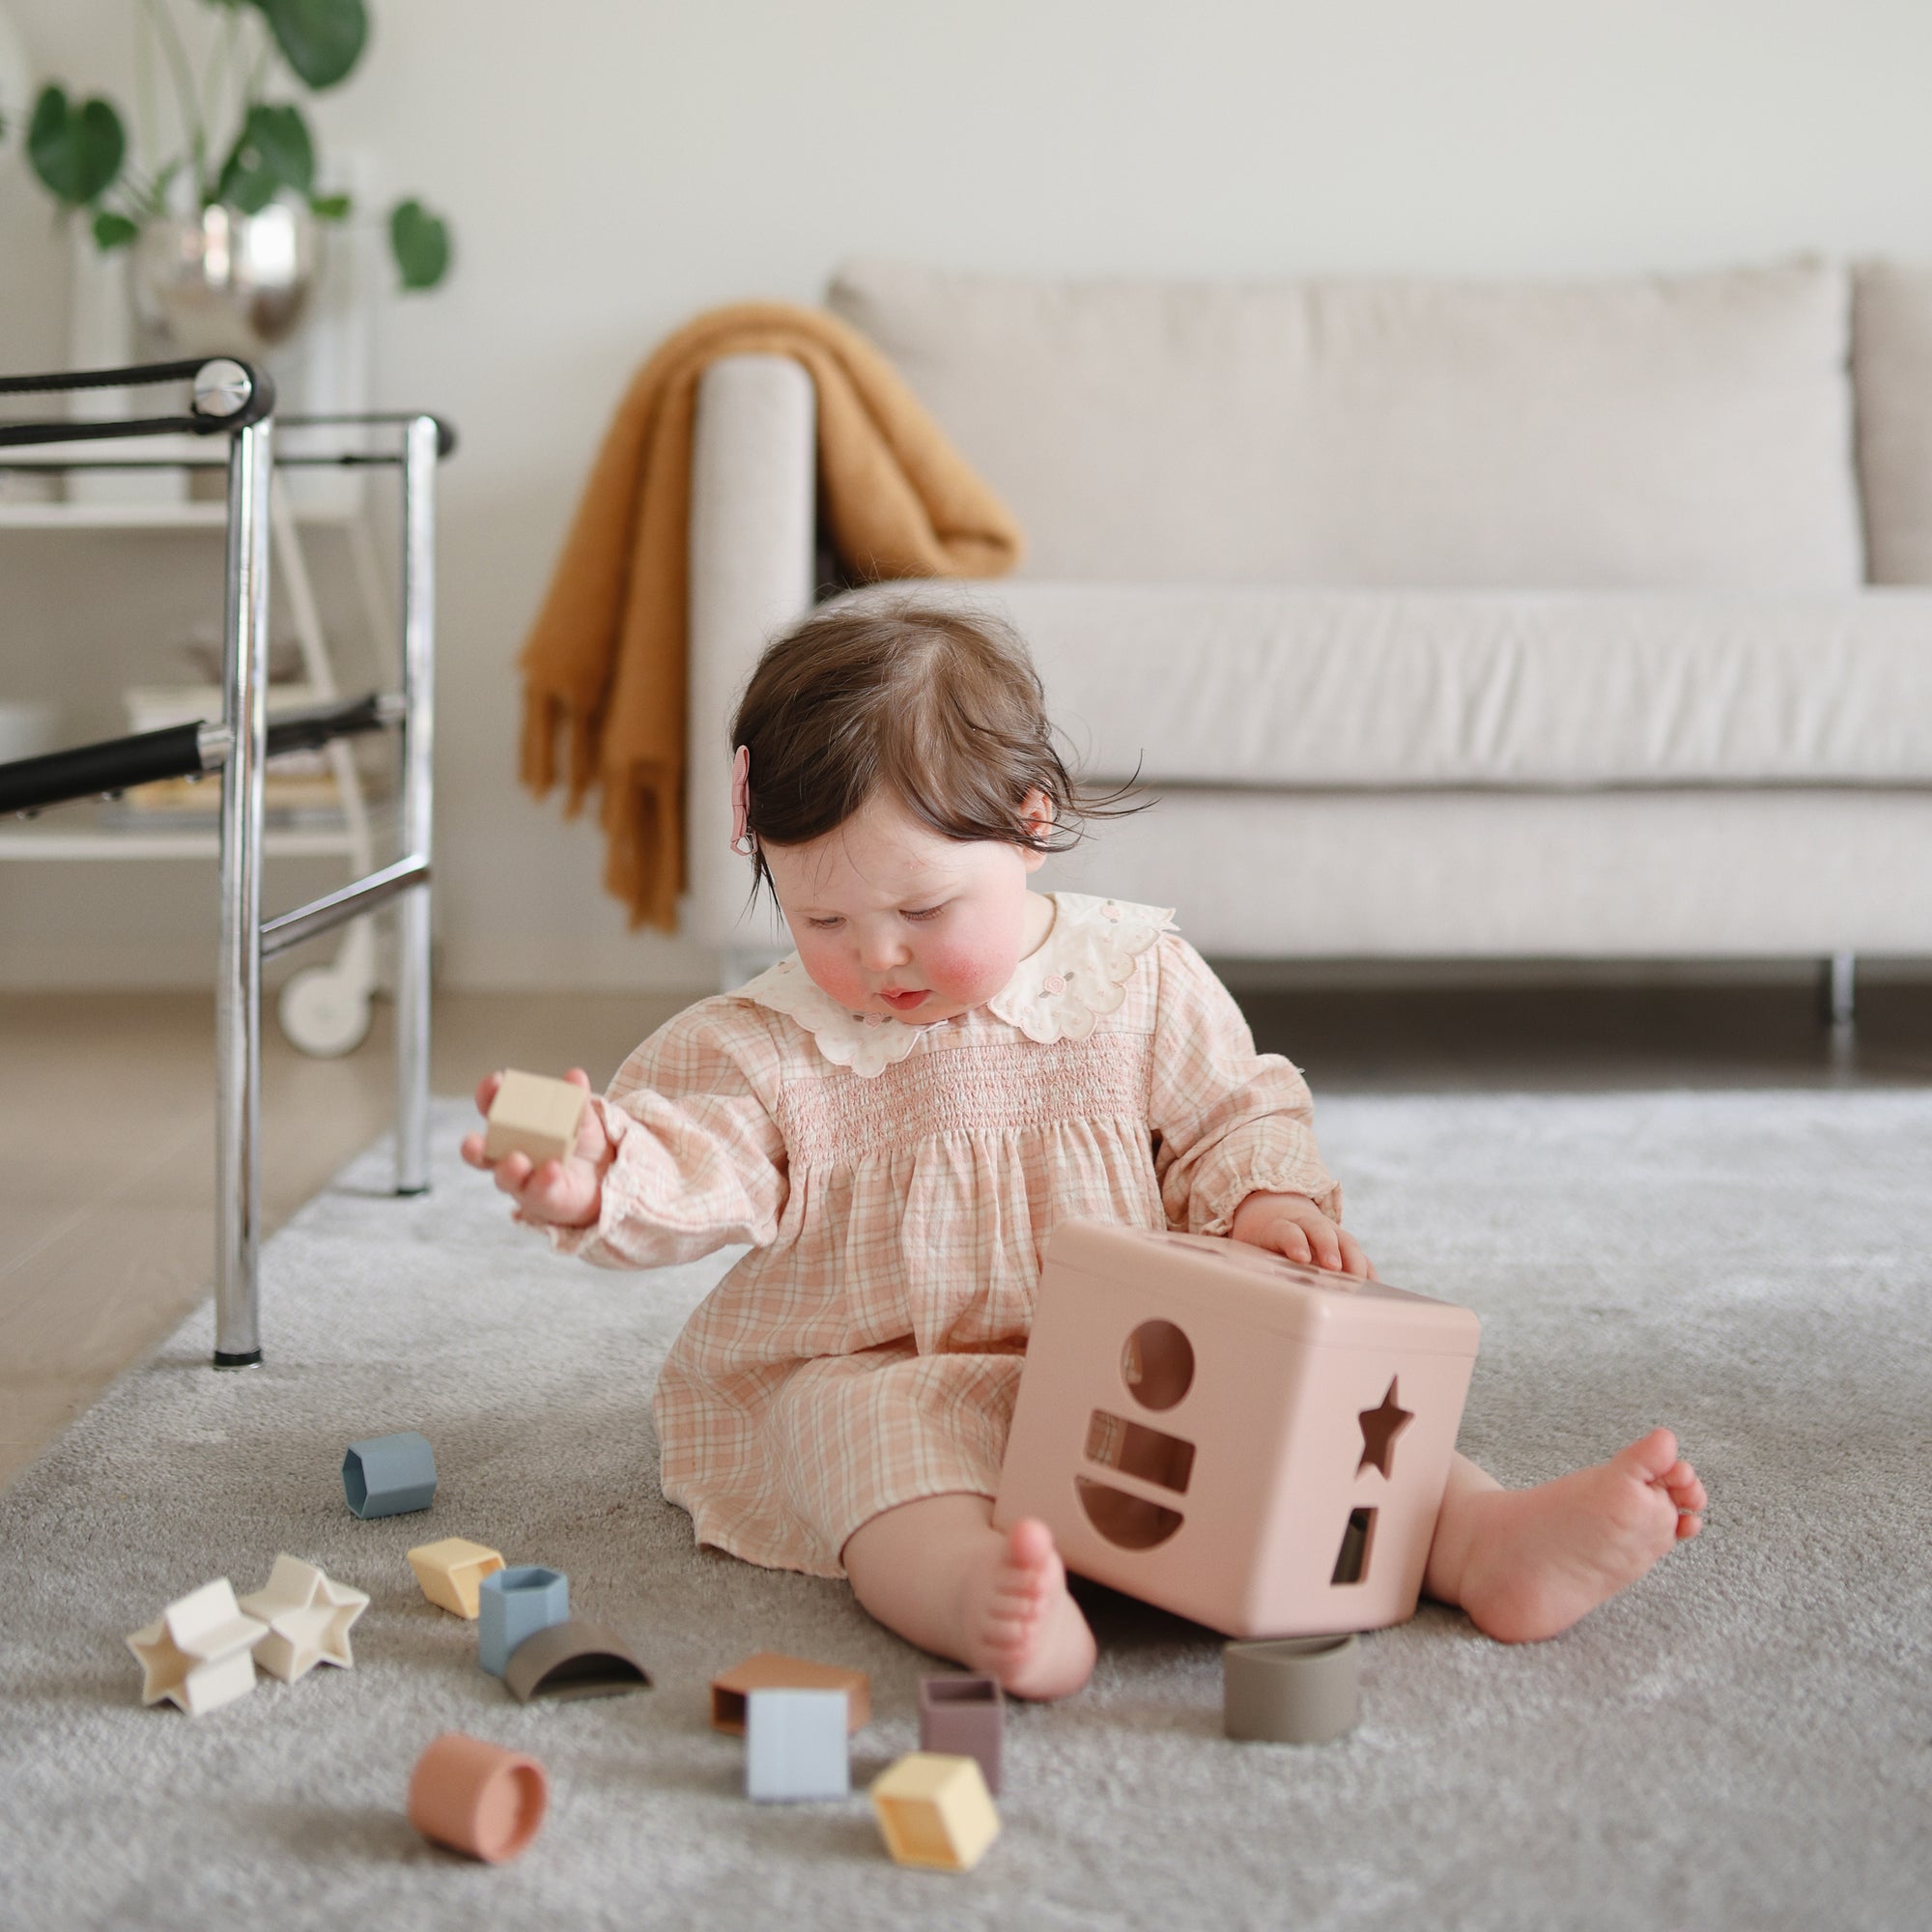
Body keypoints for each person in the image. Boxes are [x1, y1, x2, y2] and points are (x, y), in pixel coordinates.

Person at [464, 598, 1705, 1699]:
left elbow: (1233, 1104)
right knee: (857, 1447)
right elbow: (699, 1160)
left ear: (1028, 823)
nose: (875, 955)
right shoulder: (774, 1040)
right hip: (892, 1363)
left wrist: (1266, 1199)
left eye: (920, 910)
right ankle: (979, 1599)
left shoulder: (1132, 980)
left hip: (1146, 1361)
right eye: (819, 915)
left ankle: (1480, 1539)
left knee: (1325, 1418)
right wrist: (595, 1171)